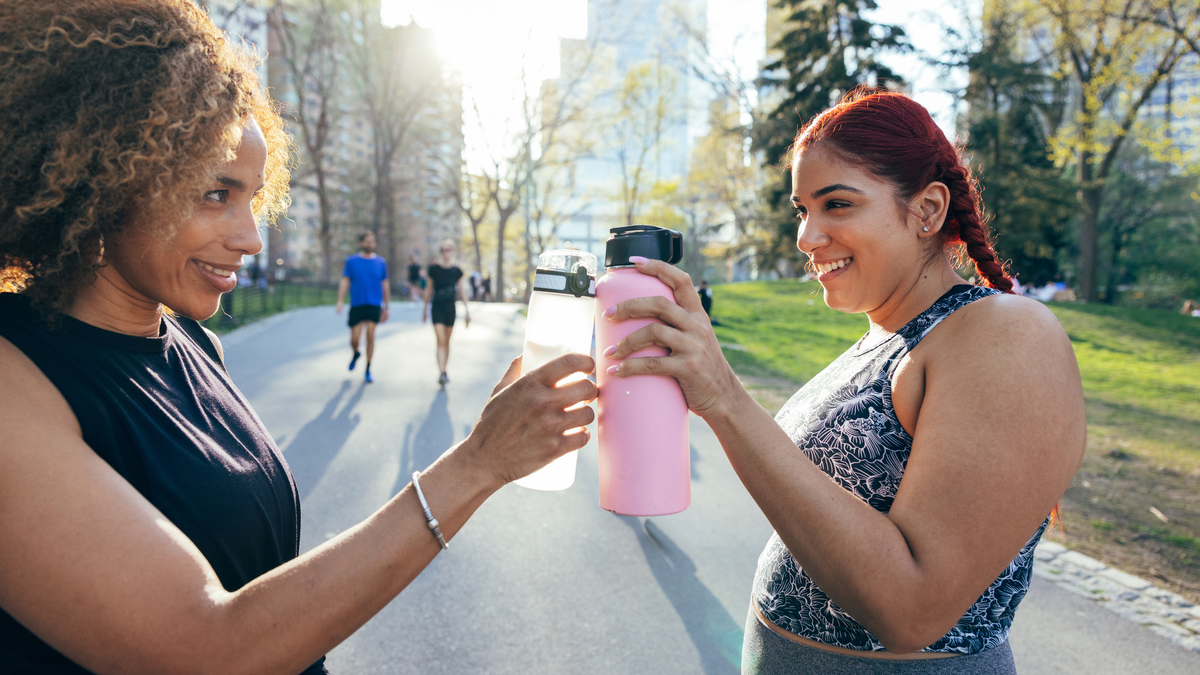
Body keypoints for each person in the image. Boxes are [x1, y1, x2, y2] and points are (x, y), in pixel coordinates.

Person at [0, 3, 596, 673]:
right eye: (216, 193)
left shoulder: (195, 343)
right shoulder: (12, 378)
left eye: (254, 197)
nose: (251, 237)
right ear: (111, 175)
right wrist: (478, 463)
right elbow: (206, 648)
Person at [601, 88, 1085, 673]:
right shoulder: (887, 336)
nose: (806, 237)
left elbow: (912, 612)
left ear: (928, 210)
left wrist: (725, 397)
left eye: (836, 204)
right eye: (802, 209)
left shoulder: (1007, 335)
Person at [336, 232, 388, 383]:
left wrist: (387, 305)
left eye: (372, 241)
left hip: (374, 304)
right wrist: (340, 300)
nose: (370, 244)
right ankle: (356, 353)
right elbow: (345, 281)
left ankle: (368, 368)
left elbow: (385, 284)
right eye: (367, 241)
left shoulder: (380, 262)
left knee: (371, 337)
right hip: (357, 304)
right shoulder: (352, 261)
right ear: (361, 243)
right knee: (354, 339)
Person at [423, 241, 470, 386]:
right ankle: (442, 372)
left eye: (448, 249)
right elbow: (428, 290)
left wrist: (467, 311)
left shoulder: (457, 271)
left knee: (447, 341)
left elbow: (462, 291)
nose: (446, 252)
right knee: (441, 339)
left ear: (453, 251)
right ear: (440, 252)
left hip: (451, 307)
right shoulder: (434, 270)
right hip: (437, 306)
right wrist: (424, 309)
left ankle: (444, 369)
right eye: (443, 250)